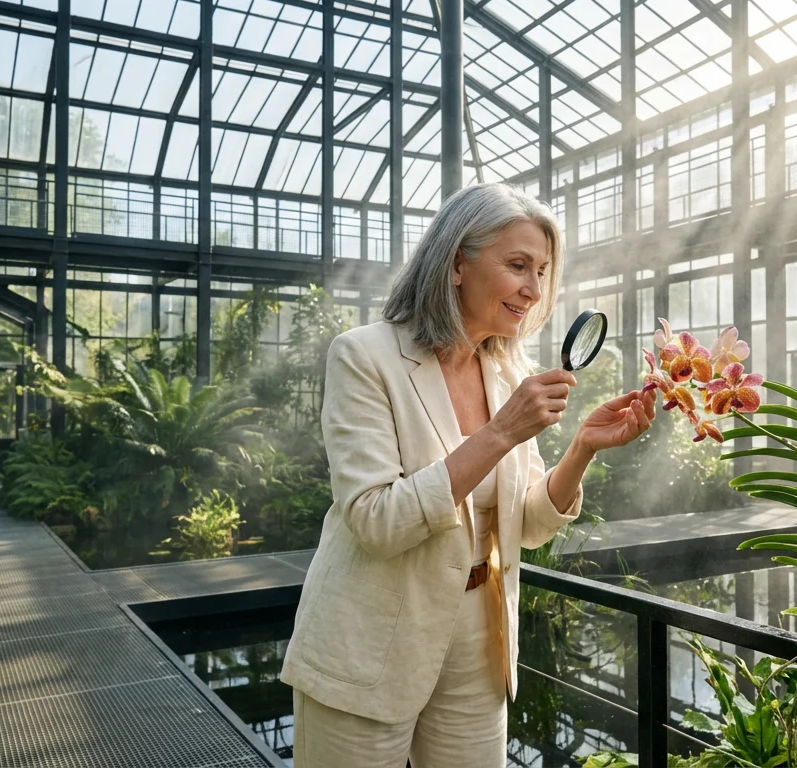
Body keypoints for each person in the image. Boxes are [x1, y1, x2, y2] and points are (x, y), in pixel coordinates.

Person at [279, 183, 657, 766]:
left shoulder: (506, 372)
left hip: (480, 642)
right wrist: (501, 432)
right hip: (368, 640)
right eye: (517, 265)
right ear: (457, 262)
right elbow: (376, 521)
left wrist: (582, 447)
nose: (534, 289)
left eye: (542, 270)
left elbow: (527, 525)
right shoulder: (364, 356)